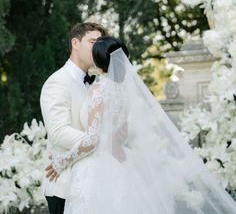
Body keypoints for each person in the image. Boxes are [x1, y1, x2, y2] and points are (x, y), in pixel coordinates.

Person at [46, 36, 236, 214]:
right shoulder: (123, 91)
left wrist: (62, 161)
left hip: (96, 168)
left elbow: (92, 140)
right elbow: (122, 132)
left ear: (98, 59)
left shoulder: (99, 89)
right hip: (119, 163)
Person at [40, 22, 107, 214]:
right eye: (92, 41)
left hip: (91, 181)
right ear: (75, 43)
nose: (97, 48)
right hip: (64, 184)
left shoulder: (99, 84)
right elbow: (59, 133)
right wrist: (98, 142)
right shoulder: (57, 82)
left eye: (100, 43)